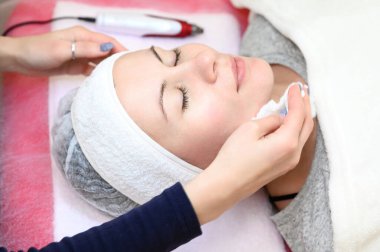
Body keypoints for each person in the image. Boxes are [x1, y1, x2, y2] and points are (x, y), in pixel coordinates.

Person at [0, 26, 310, 251]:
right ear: (200, 174)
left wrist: (10, 50)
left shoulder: (276, 21)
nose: (204, 61)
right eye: (183, 99)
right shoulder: (331, 225)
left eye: (173, 56)